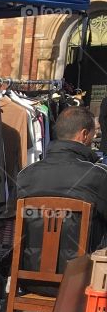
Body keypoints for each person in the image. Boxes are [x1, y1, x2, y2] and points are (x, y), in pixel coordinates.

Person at [15, 105, 107, 263]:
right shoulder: (98, 175)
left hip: (29, 269)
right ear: (84, 135)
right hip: (81, 272)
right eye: (94, 134)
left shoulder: (25, 175)